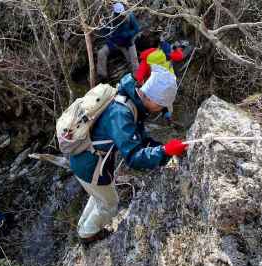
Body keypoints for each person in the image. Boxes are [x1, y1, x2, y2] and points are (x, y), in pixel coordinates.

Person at [70, 65, 188, 244]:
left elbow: (139, 139)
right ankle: (87, 235)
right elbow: (134, 157)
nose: (162, 111)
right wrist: (164, 152)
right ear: (151, 99)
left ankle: (83, 227)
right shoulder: (121, 114)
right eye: (162, 106)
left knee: (100, 195)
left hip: (86, 157)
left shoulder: (131, 98)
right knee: (110, 203)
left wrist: (164, 150)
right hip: (89, 165)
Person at [97, 2, 140, 81]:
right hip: (115, 43)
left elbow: (137, 29)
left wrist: (128, 34)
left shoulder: (129, 16)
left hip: (128, 43)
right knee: (101, 53)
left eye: (122, 14)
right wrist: (110, 42)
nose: (121, 16)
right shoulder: (110, 18)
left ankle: (137, 80)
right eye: (119, 14)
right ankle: (102, 77)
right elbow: (104, 33)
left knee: (134, 62)